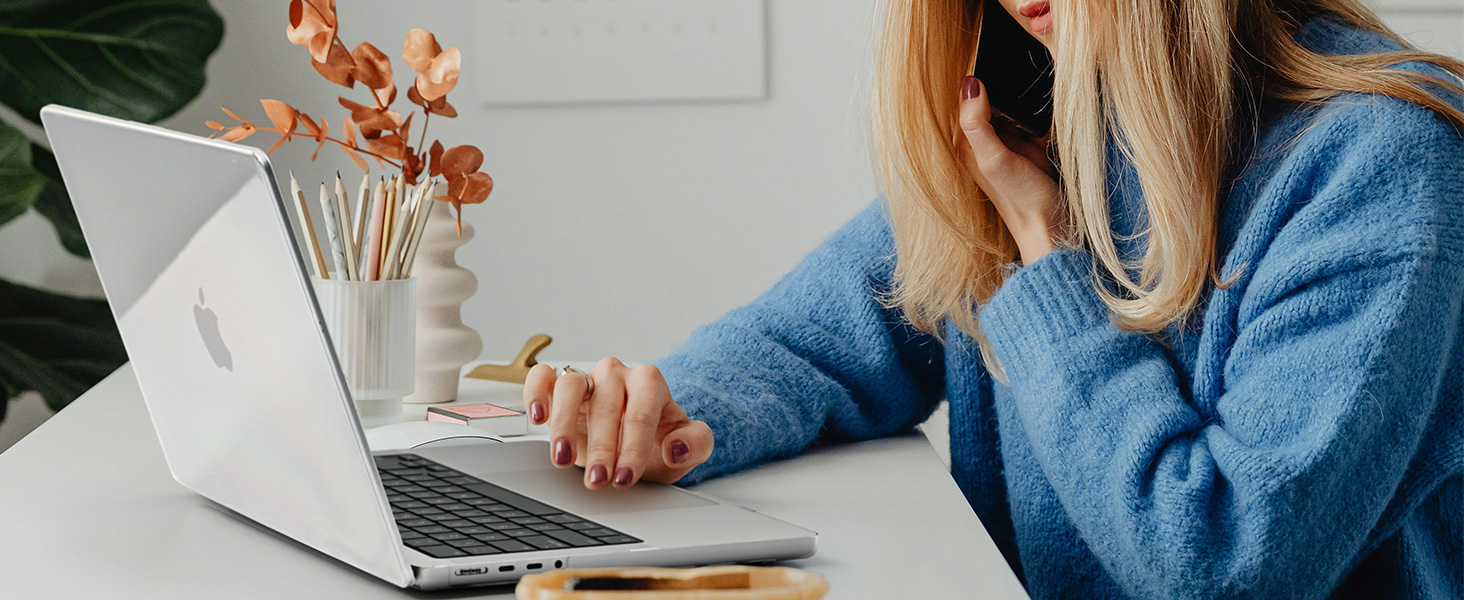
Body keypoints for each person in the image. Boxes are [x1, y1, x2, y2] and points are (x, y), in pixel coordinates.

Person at [523, 0, 1464, 597]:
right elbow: (810, 344)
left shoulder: (1382, 163)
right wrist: (656, 414)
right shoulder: (1041, 120)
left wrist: (1043, 254)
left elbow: (1219, 558)